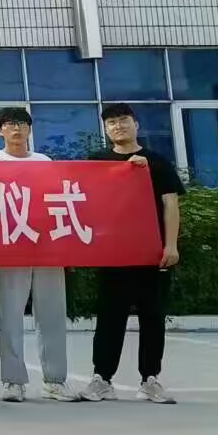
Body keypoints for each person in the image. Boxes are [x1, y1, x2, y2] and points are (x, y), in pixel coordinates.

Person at [0, 107, 81, 403]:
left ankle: (55, 380)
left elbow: (57, 200)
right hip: (10, 246)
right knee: (11, 315)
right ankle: (13, 381)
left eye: (22, 124)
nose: (17, 129)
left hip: (46, 246)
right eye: (10, 124)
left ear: (30, 129)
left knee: (52, 314)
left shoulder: (44, 161)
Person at [83, 103, 184, 404]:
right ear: (106, 129)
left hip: (151, 254)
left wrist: (171, 244)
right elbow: (84, 200)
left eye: (123, 120)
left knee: (152, 316)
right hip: (112, 253)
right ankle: (102, 378)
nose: (118, 126)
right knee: (109, 317)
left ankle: (150, 379)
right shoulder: (96, 162)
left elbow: (170, 204)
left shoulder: (156, 162)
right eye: (111, 123)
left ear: (136, 124)